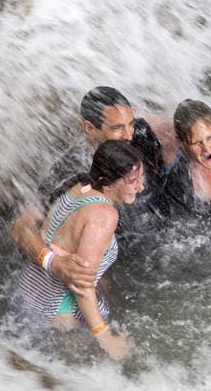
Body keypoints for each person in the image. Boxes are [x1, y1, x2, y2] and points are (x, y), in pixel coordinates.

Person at [12, 86, 171, 295]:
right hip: (123, 261)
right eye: (117, 128)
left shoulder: (138, 133)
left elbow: (175, 131)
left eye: (130, 124)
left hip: (166, 233)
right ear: (89, 128)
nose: (128, 135)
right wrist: (55, 263)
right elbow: (21, 228)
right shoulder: (69, 171)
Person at [15, 140, 145, 360]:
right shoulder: (104, 215)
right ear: (108, 181)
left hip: (28, 291)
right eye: (132, 181)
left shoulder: (78, 187)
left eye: (141, 178)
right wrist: (103, 336)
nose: (140, 186)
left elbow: (61, 244)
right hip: (59, 314)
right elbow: (81, 284)